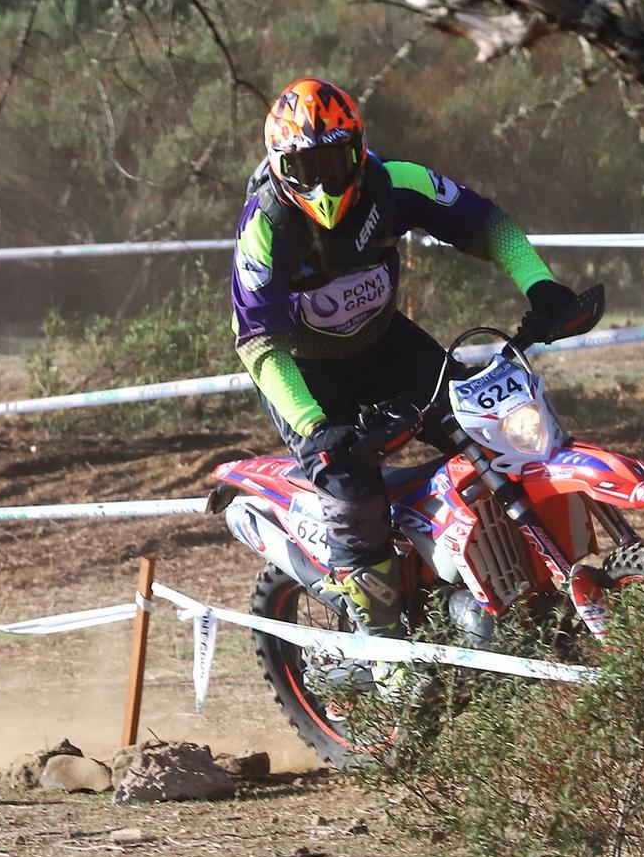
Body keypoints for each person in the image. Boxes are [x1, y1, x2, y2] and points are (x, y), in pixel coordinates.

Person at [231, 77, 594, 649]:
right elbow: (259, 346)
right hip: (306, 371)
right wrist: (315, 424)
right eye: (307, 166)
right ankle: (384, 652)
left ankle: (516, 586)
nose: (324, 181)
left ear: (357, 150)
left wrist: (541, 286)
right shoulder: (266, 227)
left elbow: (486, 224)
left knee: (492, 428)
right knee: (355, 496)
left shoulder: (395, 182)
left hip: (385, 343)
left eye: (334, 160)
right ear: (279, 167)